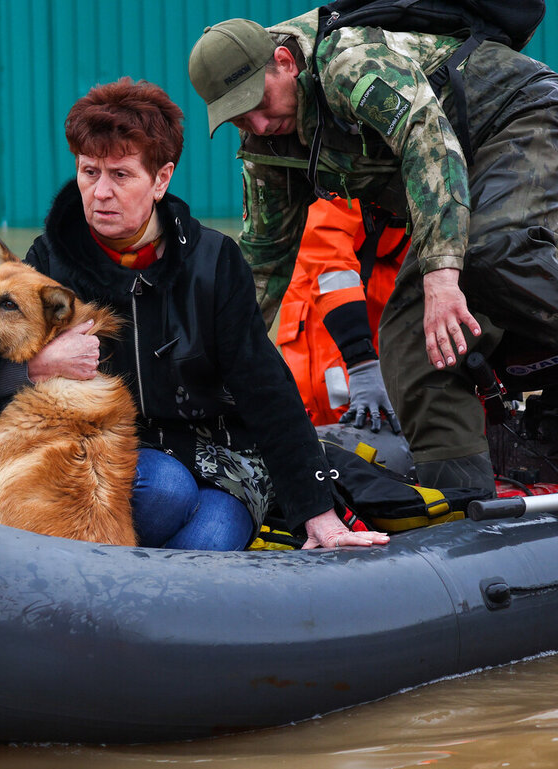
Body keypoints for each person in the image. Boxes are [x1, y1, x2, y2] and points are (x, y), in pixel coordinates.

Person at [0, 77, 388, 551]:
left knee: (208, 541)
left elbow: (266, 389)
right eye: (89, 172)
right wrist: (34, 367)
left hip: (222, 461)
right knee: (162, 491)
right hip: (121, 458)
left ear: (161, 179)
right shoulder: (50, 261)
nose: (100, 192)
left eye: (120, 175)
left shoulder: (215, 260)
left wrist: (319, 513)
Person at [188, 13, 558, 497]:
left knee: (488, 256)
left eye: (258, 102)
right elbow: (263, 261)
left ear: (284, 62)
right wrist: (213, 368)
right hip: (461, 169)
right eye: (238, 117)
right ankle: (468, 514)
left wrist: (442, 278)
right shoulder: (267, 143)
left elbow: (430, 142)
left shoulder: (351, 65)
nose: (256, 123)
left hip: (518, 118)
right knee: (415, 343)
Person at [278, 197, 406, 429]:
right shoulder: (336, 175)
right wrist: (361, 361)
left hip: (392, 289)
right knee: (334, 411)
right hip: (331, 305)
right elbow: (326, 248)